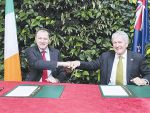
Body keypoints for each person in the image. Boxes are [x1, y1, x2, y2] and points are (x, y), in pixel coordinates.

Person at [70, 31, 150, 86]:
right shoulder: (105, 56)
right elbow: (92, 65)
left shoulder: (137, 57)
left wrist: (144, 80)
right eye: (115, 43)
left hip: (129, 92)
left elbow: (148, 74)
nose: (117, 45)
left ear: (126, 44)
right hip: (108, 92)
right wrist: (79, 63)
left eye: (120, 42)